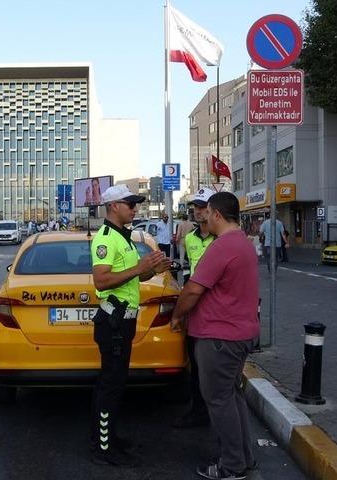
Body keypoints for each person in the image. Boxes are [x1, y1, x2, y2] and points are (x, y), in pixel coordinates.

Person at [170, 192, 260, 479]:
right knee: (231, 396)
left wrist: (177, 315)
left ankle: (232, 466)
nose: (204, 217)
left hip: (220, 337)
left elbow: (193, 290)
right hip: (238, 333)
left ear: (217, 214)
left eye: (207, 212)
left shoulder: (222, 246)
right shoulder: (242, 242)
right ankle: (244, 457)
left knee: (219, 401)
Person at [90, 184, 170, 466]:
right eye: (130, 204)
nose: (135, 209)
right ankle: (103, 447)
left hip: (123, 323)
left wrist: (152, 270)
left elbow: (131, 277)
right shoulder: (105, 239)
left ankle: (109, 437)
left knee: (116, 382)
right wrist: (139, 267)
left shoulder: (124, 237)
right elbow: (101, 280)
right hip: (113, 323)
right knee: (110, 385)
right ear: (114, 206)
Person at [173, 188, 215, 430]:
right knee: (196, 362)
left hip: (217, 308)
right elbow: (190, 272)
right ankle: (199, 412)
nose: (198, 212)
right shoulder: (190, 238)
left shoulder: (222, 239)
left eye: (202, 207)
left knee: (215, 366)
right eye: (195, 207)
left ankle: (216, 413)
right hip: (196, 306)